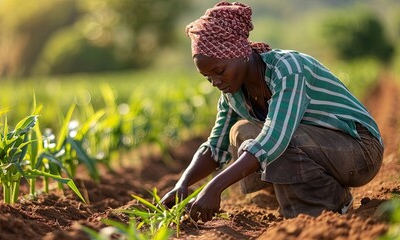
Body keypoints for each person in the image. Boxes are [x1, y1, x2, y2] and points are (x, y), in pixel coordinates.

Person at [160, 1, 383, 222]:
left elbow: (275, 138)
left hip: (361, 150)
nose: (215, 82)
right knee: (241, 131)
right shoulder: (232, 93)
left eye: (219, 71)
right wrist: (183, 184)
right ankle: (288, 194)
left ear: (240, 52)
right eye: (208, 77)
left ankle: (328, 205)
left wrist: (214, 187)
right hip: (323, 148)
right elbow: (215, 147)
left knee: (275, 141)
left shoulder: (288, 69)